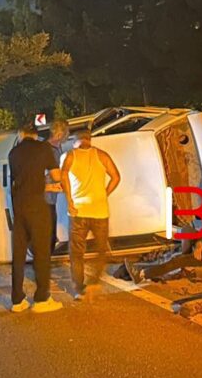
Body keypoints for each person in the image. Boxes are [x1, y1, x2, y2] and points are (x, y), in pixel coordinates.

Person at [8, 124, 62, 313]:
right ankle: (41, 299)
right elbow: (56, 176)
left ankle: (17, 300)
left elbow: (20, 181)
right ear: (36, 135)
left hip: (19, 208)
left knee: (18, 255)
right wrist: (48, 182)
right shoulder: (44, 148)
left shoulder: (13, 153)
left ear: (21, 134)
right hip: (38, 207)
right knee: (41, 253)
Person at [61, 128, 120, 299]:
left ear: (75, 140)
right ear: (89, 139)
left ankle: (79, 289)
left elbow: (63, 177)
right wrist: (105, 194)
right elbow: (116, 177)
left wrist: (69, 200)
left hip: (78, 211)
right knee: (101, 250)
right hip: (99, 211)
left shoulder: (70, 156)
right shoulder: (102, 155)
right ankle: (94, 281)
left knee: (77, 253)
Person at [125, 211, 202, 283]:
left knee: (177, 260)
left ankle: (142, 275)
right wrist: (199, 243)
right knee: (188, 230)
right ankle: (186, 262)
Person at [44, 120, 70, 253]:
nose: (67, 136)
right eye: (66, 133)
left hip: (49, 198)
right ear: (59, 134)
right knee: (49, 235)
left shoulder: (52, 148)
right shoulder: (50, 151)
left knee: (50, 234)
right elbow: (57, 176)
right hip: (46, 198)